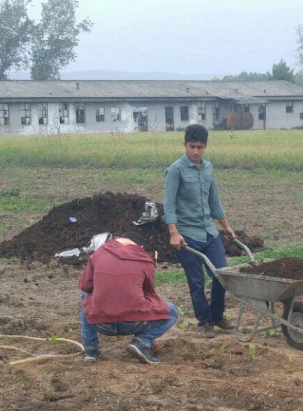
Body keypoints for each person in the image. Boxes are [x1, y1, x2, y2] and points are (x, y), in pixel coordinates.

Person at [164, 124, 236, 337]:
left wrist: (227, 227)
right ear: (184, 145)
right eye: (191, 146)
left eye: (200, 147)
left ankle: (217, 315)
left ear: (206, 147)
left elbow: (214, 200)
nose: (195, 151)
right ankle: (205, 321)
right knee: (196, 281)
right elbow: (168, 203)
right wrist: (173, 232)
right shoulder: (176, 169)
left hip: (208, 232)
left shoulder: (208, 168)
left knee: (221, 274)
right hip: (186, 235)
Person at [78, 231, 178, 364]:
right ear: (140, 247)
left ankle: (90, 350)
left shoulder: (98, 253)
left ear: (120, 239)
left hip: (100, 323)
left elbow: (85, 285)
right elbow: (149, 292)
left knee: (86, 296)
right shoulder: (145, 259)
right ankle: (142, 342)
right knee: (172, 311)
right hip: (134, 323)